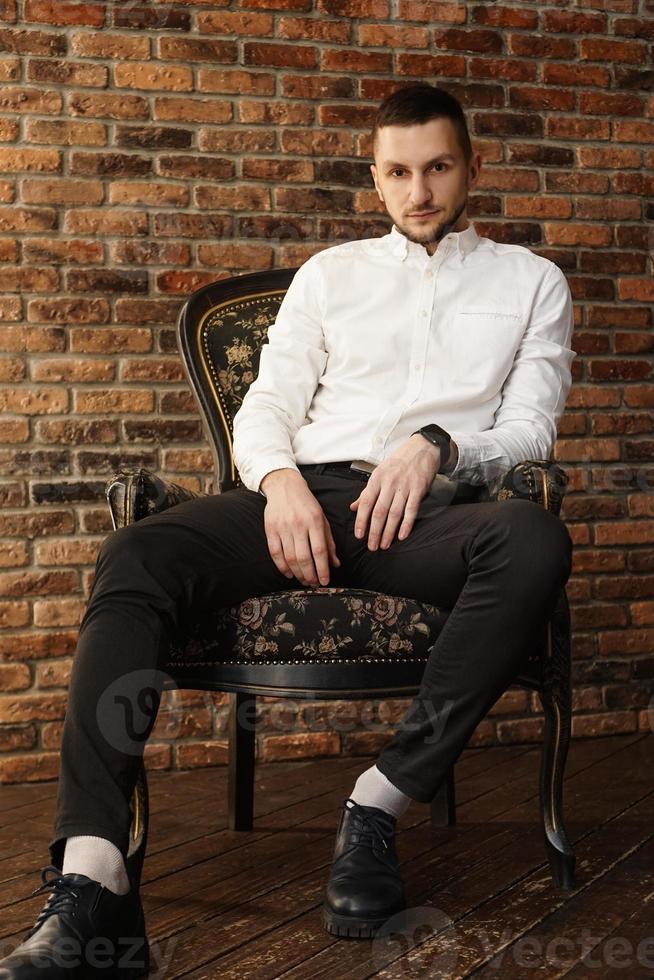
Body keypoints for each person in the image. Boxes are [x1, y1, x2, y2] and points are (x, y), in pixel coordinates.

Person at [0, 83, 576, 976]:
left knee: (535, 540)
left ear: (471, 169)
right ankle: (94, 880)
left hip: (425, 519)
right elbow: (265, 405)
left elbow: (533, 427)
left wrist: (438, 446)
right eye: (398, 172)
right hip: (297, 502)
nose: (418, 191)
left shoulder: (531, 281)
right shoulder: (330, 275)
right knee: (137, 551)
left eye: (437, 168)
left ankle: (377, 806)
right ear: (376, 179)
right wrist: (278, 486)